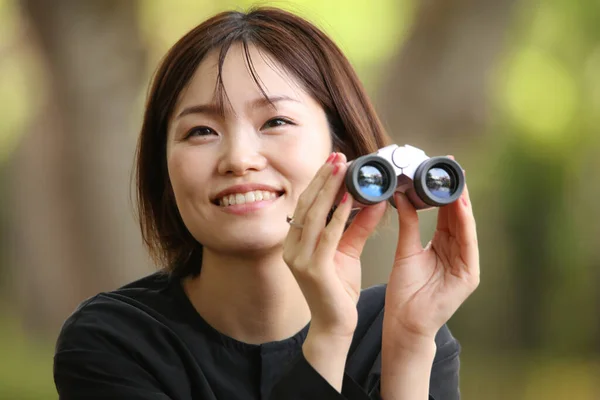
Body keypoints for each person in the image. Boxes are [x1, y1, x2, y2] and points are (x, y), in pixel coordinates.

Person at [53, 6, 479, 400]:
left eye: (275, 122)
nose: (239, 159)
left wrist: (407, 350)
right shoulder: (114, 341)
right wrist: (328, 337)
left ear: (344, 150)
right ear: (163, 170)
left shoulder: (399, 331)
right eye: (200, 131)